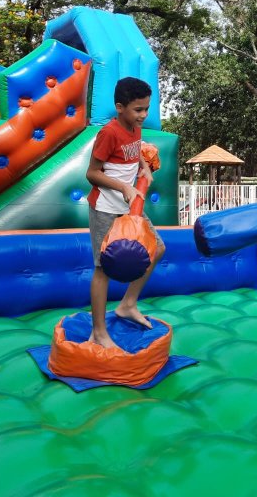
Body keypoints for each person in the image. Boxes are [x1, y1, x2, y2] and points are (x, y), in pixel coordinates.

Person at [85, 77, 165, 350]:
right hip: (106, 208)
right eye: (138, 110)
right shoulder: (109, 133)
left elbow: (135, 150)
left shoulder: (134, 127)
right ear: (120, 107)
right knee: (102, 268)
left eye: (146, 109)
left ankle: (127, 304)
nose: (143, 115)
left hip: (130, 207)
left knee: (157, 248)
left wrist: (143, 166)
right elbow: (92, 173)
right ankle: (98, 331)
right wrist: (123, 188)